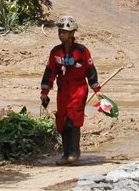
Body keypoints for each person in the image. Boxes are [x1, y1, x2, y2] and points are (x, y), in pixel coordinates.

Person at [40, 15, 101, 165]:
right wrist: (44, 92)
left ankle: (74, 153)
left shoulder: (81, 51)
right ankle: (66, 154)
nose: (62, 35)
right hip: (63, 90)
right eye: (60, 32)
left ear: (73, 33)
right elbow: (50, 72)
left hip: (78, 88)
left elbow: (90, 70)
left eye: (65, 32)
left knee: (72, 119)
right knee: (62, 120)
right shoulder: (55, 52)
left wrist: (97, 90)